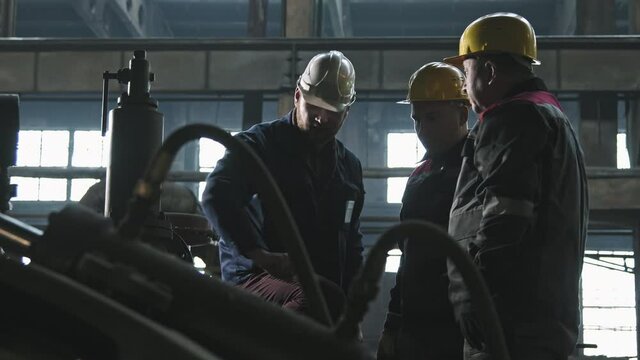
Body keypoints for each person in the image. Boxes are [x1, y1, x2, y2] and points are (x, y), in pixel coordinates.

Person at [442, 12, 589, 360]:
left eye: (467, 72)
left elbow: (505, 217)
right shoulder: (554, 119)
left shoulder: (511, 118)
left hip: (507, 322)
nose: (464, 85)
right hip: (542, 321)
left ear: (490, 71)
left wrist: (474, 295)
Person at [201, 51, 364, 321]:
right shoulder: (258, 146)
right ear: (298, 96)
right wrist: (261, 255)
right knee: (316, 299)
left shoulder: (349, 168)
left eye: (332, 112)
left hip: (321, 292)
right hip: (255, 279)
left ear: (346, 112)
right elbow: (216, 194)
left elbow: (352, 242)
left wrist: (350, 314)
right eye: (314, 106)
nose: (321, 118)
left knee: (325, 301)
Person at [377, 62, 468, 360]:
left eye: (432, 117)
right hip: (416, 330)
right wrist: (392, 324)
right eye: (417, 119)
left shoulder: (478, 173)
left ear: (462, 114)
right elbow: (408, 256)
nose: (422, 129)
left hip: (461, 330)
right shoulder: (419, 177)